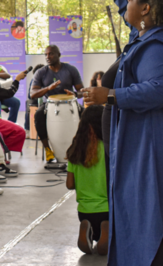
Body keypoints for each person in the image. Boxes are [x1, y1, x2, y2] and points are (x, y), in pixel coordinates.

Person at [83, 0, 163, 265]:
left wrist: (109, 95)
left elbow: (161, 90)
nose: (127, 3)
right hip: (149, 141)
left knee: (150, 217)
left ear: (146, 9)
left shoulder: (156, 44)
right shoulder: (152, 32)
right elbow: (125, 4)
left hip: (153, 147)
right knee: (139, 213)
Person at [65, 105, 109, 256]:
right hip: (108, 210)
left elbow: (69, 184)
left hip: (84, 211)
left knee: (93, 228)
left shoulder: (75, 149)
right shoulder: (109, 149)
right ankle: (108, 231)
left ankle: (90, 230)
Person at [30, 44, 83, 163]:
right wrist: (48, 88)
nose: (48, 57)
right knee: (38, 115)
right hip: (49, 104)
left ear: (59, 55)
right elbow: (32, 94)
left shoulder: (70, 69)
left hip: (70, 103)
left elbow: (82, 91)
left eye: (51, 54)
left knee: (86, 114)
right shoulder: (41, 72)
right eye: (46, 54)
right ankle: (48, 150)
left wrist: (74, 94)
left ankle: (80, 147)